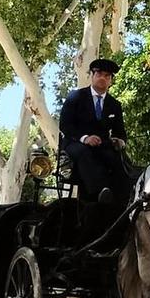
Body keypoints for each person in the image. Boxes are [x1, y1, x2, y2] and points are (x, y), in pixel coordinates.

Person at [59, 58, 132, 204]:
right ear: (92, 76)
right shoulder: (76, 97)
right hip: (75, 143)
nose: (103, 78)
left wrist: (119, 141)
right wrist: (85, 138)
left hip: (102, 145)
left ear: (111, 80)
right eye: (99, 74)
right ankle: (100, 192)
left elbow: (120, 132)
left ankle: (127, 199)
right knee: (85, 153)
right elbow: (65, 125)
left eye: (107, 76)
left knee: (121, 160)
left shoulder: (115, 105)